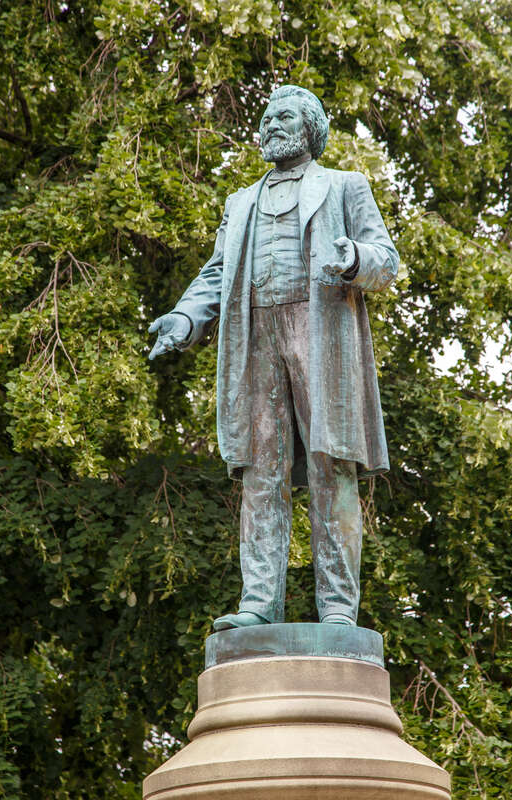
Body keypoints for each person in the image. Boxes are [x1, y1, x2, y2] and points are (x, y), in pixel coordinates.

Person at [148, 85, 399, 631]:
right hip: (256, 334)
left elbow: (387, 259)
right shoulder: (241, 203)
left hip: (320, 332)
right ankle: (260, 603)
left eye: (283, 116)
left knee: (332, 468)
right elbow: (216, 274)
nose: (270, 125)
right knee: (262, 473)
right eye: (264, 117)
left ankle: (336, 610)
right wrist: (186, 318)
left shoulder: (343, 187)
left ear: (310, 127)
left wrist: (353, 256)